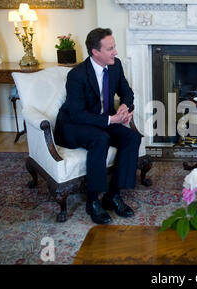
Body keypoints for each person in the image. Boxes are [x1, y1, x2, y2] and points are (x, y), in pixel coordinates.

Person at [54, 28, 141, 225]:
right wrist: (111, 120)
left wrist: (126, 108)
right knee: (100, 139)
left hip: (103, 119)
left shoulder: (115, 66)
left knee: (132, 137)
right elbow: (77, 114)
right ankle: (93, 201)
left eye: (114, 47)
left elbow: (127, 92)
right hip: (74, 125)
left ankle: (113, 195)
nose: (115, 52)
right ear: (95, 52)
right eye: (110, 49)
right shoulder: (77, 75)